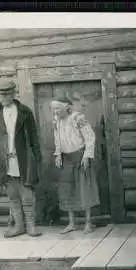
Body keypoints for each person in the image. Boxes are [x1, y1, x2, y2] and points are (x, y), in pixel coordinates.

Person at [0, 80, 42, 238]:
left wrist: (36, 158)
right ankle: (19, 226)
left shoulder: (25, 112)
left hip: (23, 158)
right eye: (2, 94)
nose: (4, 97)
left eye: (7, 94)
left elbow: (34, 137)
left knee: (26, 194)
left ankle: (31, 226)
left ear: (13, 93)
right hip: (5, 160)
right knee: (12, 195)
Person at [51, 96, 100, 234]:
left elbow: (90, 137)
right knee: (67, 190)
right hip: (66, 159)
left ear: (66, 106)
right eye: (53, 109)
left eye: (57, 108)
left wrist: (86, 156)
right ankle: (72, 223)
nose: (55, 111)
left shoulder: (78, 118)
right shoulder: (56, 121)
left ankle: (88, 223)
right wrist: (58, 154)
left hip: (80, 157)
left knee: (84, 189)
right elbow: (57, 139)